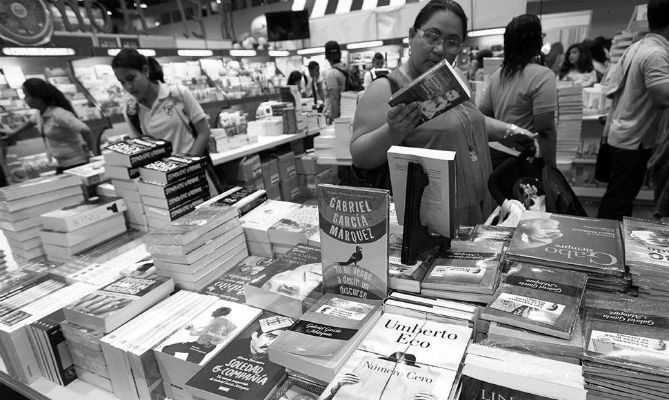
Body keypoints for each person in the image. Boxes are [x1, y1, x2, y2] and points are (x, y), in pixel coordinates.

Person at [350, 0, 535, 226]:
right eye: (432, 36)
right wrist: (393, 131)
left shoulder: (455, 77)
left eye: (452, 42)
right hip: (434, 225)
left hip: (482, 210)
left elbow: (470, 120)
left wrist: (511, 131)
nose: (439, 49)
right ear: (412, 36)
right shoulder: (386, 88)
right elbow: (360, 156)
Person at [598, 0, 669, 220]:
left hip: (622, 133)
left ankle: (610, 242)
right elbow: (662, 96)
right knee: (618, 201)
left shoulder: (636, 48)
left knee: (618, 199)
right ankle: (604, 247)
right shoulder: (656, 54)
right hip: (633, 139)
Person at [479, 13, 557, 187]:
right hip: (528, 160)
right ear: (537, 41)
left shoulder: (497, 76)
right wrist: (552, 170)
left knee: (506, 208)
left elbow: (483, 115)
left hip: (499, 160)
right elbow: (545, 130)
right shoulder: (543, 76)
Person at [112, 48, 212, 157]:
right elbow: (141, 152)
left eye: (131, 78)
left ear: (145, 71)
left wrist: (188, 165)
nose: (128, 87)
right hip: (162, 172)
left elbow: (204, 133)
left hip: (194, 170)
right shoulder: (131, 111)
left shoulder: (177, 94)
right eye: (122, 82)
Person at [0, 79, 91, 174]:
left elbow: (85, 130)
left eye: (26, 95)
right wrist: (14, 133)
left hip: (77, 164)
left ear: (38, 98)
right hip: (62, 164)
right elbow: (30, 122)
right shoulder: (40, 113)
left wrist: (89, 148)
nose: (24, 99)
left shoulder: (59, 114)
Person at [160, 307, 237, 364]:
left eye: (217, 310)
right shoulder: (223, 321)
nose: (214, 311)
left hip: (204, 345)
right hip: (203, 345)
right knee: (190, 363)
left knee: (169, 349)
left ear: (221, 312)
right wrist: (192, 329)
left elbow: (206, 332)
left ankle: (169, 365)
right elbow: (206, 330)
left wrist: (211, 342)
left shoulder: (220, 321)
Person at [323, 40, 348, 124]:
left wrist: (334, 120)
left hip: (339, 116)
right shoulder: (347, 69)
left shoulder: (331, 73)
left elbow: (334, 98)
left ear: (327, 56)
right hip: (349, 112)